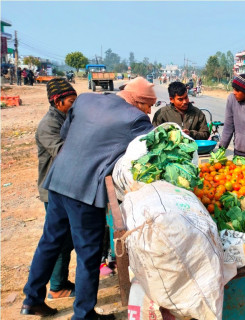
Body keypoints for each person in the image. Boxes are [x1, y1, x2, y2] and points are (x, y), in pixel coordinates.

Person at [21, 77, 156, 319]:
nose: (149, 111)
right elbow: (145, 154)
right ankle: (83, 314)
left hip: (58, 181)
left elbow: (67, 134)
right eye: (148, 105)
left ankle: (31, 299)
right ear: (136, 100)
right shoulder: (136, 119)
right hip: (85, 191)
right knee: (88, 254)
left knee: (50, 241)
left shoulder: (84, 100)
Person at [35, 78, 78, 301]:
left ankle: (60, 281)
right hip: (53, 190)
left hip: (66, 187)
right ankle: (56, 287)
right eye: (71, 101)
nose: (74, 104)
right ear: (57, 101)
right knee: (58, 240)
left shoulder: (67, 118)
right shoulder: (48, 125)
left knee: (67, 238)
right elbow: (63, 152)